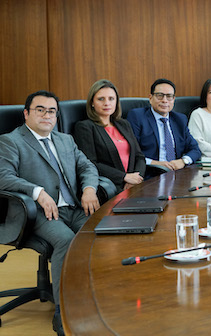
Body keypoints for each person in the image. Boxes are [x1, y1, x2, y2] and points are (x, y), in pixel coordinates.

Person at [0, 90, 99, 336]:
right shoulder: (11, 141)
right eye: (40, 110)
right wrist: (37, 192)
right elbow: (3, 177)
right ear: (26, 114)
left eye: (52, 111)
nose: (47, 115)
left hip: (73, 207)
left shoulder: (65, 140)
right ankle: (63, 311)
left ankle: (92, 299)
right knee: (67, 240)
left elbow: (87, 166)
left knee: (100, 233)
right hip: (35, 212)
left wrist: (89, 189)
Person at [73, 80, 145, 191]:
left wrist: (136, 179)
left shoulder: (124, 124)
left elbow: (139, 156)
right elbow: (90, 163)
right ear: (92, 103)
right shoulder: (85, 127)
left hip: (134, 185)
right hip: (110, 187)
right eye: (101, 99)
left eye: (111, 99)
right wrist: (124, 177)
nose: (107, 103)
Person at [127, 78, 201, 170]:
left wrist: (183, 161)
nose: (165, 100)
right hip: (150, 172)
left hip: (176, 172)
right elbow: (131, 153)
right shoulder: (137, 117)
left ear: (173, 99)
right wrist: (156, 163)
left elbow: (195, 150)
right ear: (150, 98)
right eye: (160, 95)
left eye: (169, 96)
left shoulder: (180, 119)